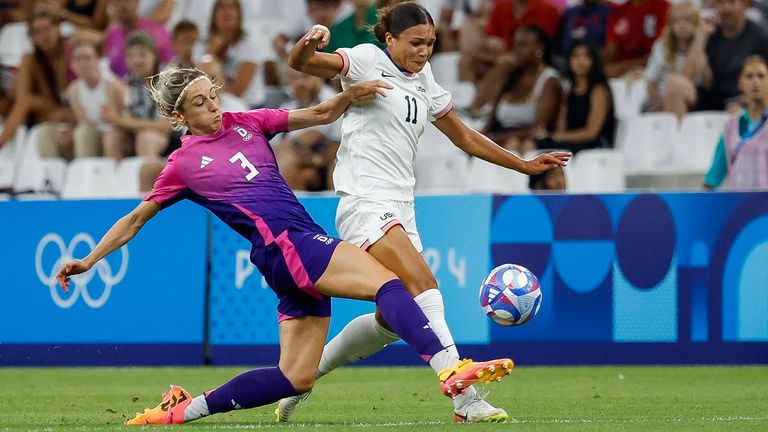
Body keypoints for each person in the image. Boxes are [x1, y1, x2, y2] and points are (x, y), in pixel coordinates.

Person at [55, 66, 514, 425]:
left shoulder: (246, 122)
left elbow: (317, 115)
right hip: (291, 245)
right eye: (199, 103)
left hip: (284, 259)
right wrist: (91, 259)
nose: (213, 107)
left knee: (295, 377)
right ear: (180, 117)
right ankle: (448, 371)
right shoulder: (181, 165)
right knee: (390, 284)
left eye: (213, 96)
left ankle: (183, 409)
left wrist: (348, 96)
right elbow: (136, 218)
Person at [285, 2, 571, 423]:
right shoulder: (366, 60)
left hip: (402, 205)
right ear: (390, 39)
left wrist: (524, 164)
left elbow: (466, 139)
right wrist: (307, 44)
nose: (424, 51)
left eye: (431, 43)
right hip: (365, 201)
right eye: (416, 42)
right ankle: (466, 398)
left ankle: (297, 380)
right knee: (424, 284)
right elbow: (305, 63)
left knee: (388, 321)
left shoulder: (425, 81)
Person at [483, 25, 562, 154]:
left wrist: (497, 138)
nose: (516, 50)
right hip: (500, 135)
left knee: (513, 145)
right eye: (515, 45)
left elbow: (540, 127)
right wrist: (483, 137)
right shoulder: (511, 75)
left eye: (523, 45)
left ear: (540, 48)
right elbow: (491, 118)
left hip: (529, 139)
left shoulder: (549, 79)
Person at [533, 39, 615, 153]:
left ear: (594, 60)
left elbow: (592, 133)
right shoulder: (569, 90)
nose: (581, 61)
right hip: (571, 142)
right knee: (531, 144)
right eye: (576, 56)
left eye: (587, 56)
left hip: (595, 145)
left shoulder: (599, 90)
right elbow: (562, 129)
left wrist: (556, 136)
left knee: (541, 149)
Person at [704, 55, 768, 191]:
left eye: (761, 76)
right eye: (749, 76)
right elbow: (713, 177)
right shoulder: (730, 127)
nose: (755, 81)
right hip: (740, 206)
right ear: (740, 82)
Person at [692, 0, 768, 111]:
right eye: (720, 2)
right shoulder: (710, 33)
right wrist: (701, 37)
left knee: (737, 112)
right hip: (711, 99)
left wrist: (743, 100)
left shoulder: (760, 37)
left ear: (745, 5)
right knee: (676, 85)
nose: (726, 8)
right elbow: (688, 78)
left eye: (731, 2)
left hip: (745, 100)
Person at [644, 1, 706, 119]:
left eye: (688, 20)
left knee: (674, 84)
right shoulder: (661, 47)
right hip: (661, 99)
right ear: (670, 25)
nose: (682, 25)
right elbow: (651, 83)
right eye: (677, 21)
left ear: (697, 23)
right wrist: (659, 101)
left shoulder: (703, 46)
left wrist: (700, 40)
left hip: (693, 100)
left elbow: (700, 81)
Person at [65, 39, 124, 158]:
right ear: (72, 65)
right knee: (81, 133)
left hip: (114, 132)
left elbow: (118, 120)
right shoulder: (73, 91)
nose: (83, 63)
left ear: (97, 60)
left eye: (87, 58)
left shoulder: (111, 85)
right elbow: (83, 122)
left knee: (109, 137)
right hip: (94, 132)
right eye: (78, 59)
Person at [603, 0, 670, 78]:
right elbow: (610, 52)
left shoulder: (663, 8)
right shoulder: (618, 11)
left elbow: (663, 51)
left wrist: (624, 68)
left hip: (652, 72)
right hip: (619, 77)